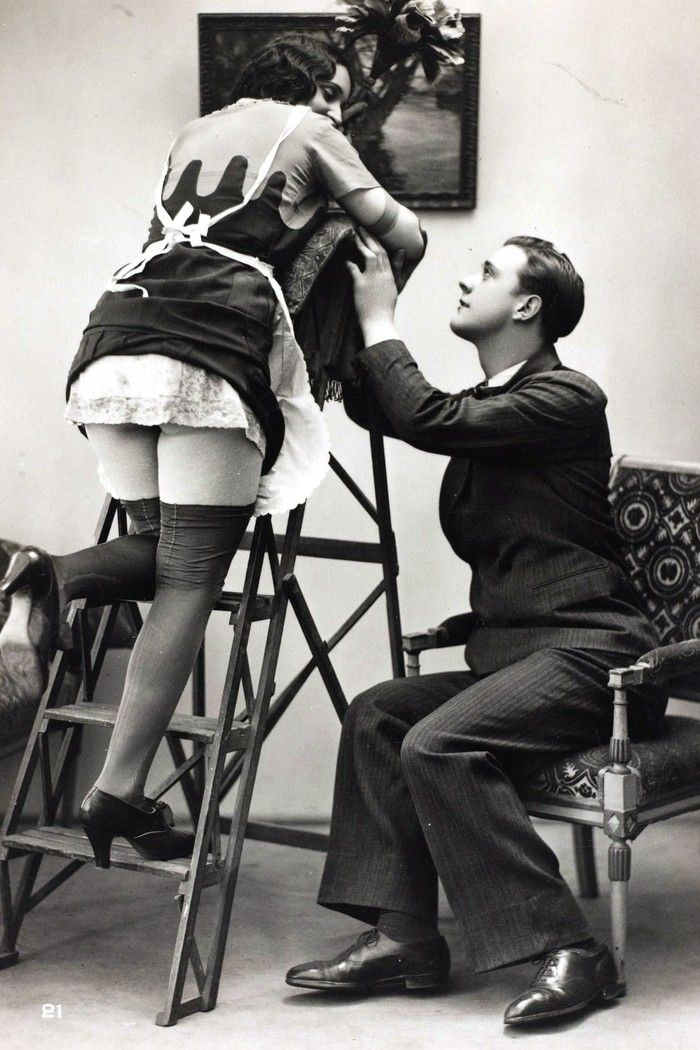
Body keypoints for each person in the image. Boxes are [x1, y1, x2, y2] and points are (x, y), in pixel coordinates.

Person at [0, 36, 424, 869]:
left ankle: (50, 580)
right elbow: (404, 233)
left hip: (113, 336)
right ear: (303, 83)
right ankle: (114, 782)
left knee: (161, 552)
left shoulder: (192, 133)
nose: (338, 110)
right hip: (208, 343)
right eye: (334, 93)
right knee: (192, 577)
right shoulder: (308, 128)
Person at [286, 231, 667, 1026]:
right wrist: (338, 325)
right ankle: (405, 938)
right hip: (522, 654)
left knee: (437, 742)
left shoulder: (568, 398)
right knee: (378, 714)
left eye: (487, 272)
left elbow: (426, 415)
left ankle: (572, 950)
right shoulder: (497, 408)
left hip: (596, 656)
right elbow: (393, 406)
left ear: (527, 306)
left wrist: (382, 319)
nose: (466, 279)